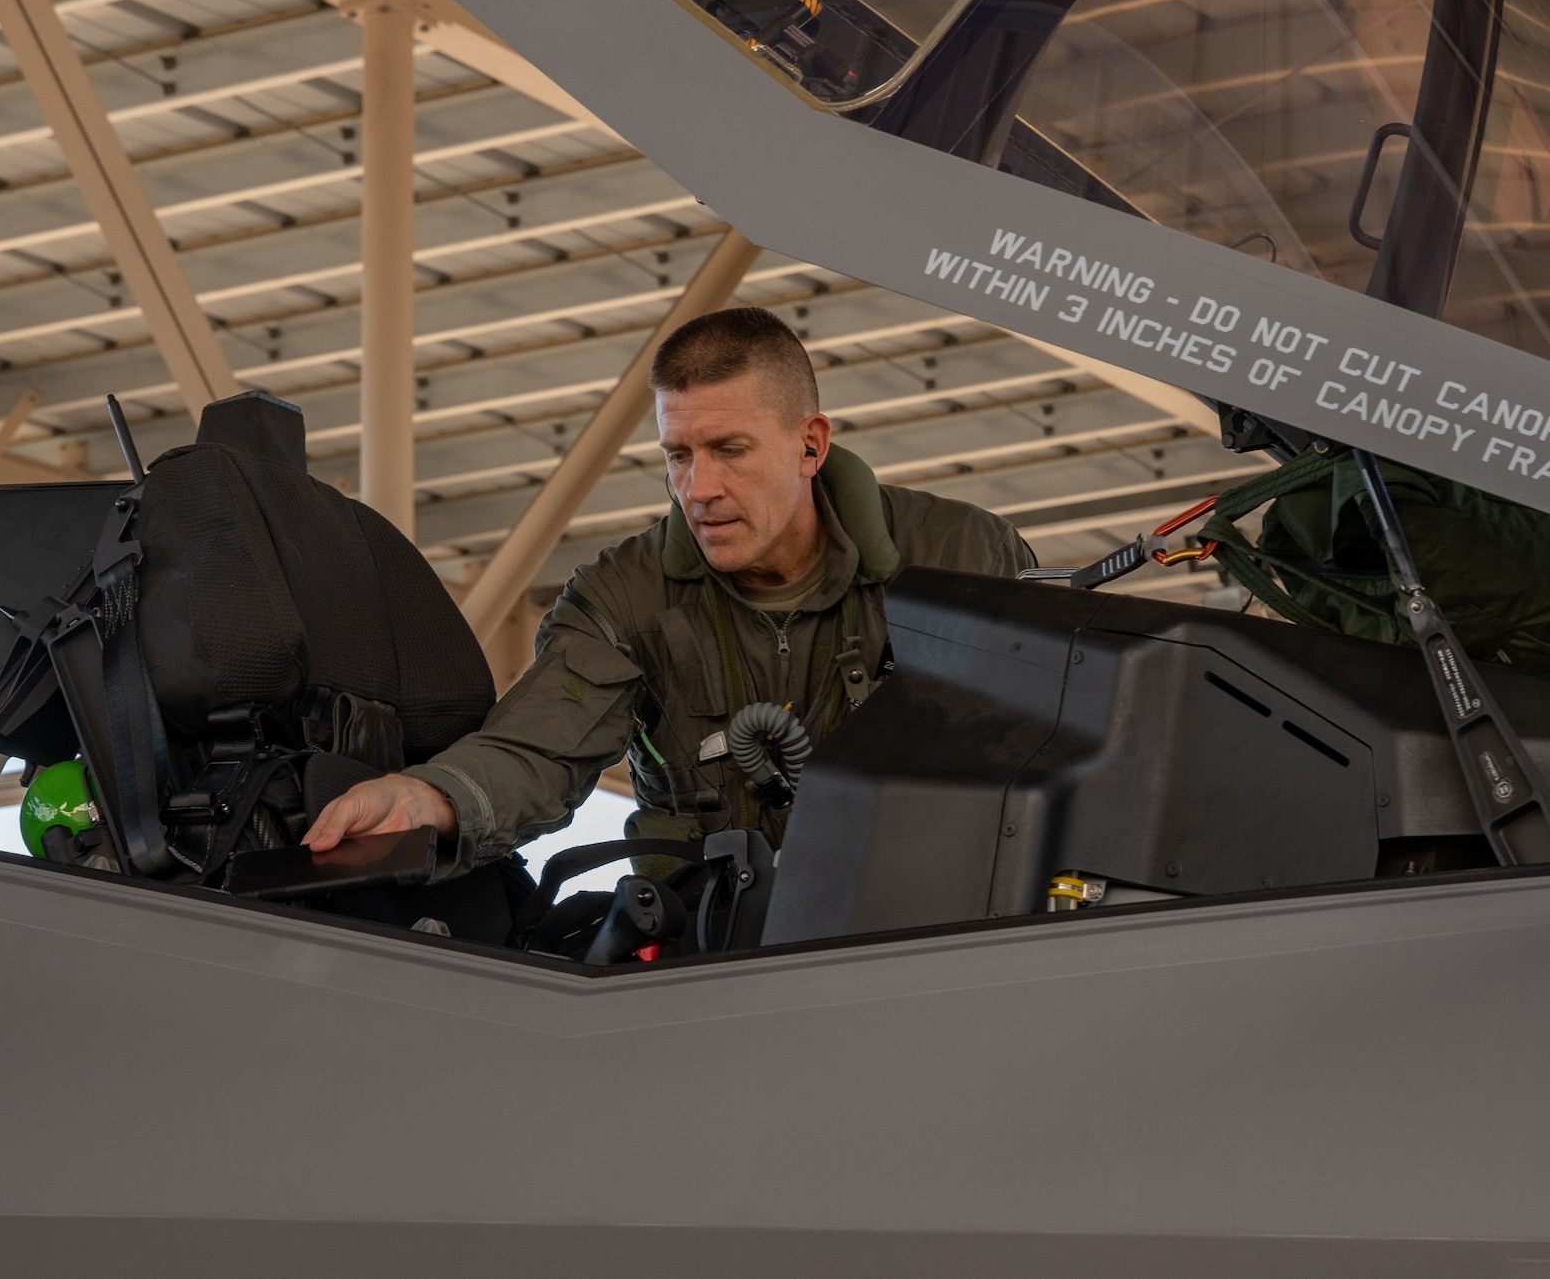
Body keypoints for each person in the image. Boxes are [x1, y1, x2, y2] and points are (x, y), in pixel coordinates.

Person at [303, 306, 1035, 871]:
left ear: (810, 443)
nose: (700, 488)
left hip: (932, 943)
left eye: (729, 450)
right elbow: (538, 749)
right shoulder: (624, 599)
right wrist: (430, 798)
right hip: (707, 965)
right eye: (677, 455)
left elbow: (1064, 748)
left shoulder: (962, 557)